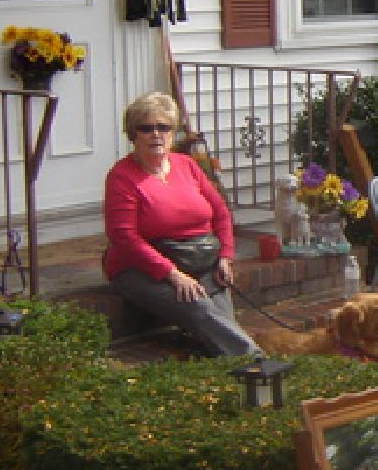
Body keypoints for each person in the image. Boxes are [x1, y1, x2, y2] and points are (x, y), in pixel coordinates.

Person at [103, 91, 261, 356]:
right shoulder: (121, 177)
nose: (156, 134)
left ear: (172, 132)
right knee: (199, 308)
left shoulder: (186, 165)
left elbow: (220, 211)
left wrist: (225, 257)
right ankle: (260, 366)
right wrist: (173, 275)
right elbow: (124, 238)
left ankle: (220, 375)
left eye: (163, 127)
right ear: (133, 134)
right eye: (146, 128)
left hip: (198, 260)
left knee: (221, 321)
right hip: (141, 268)